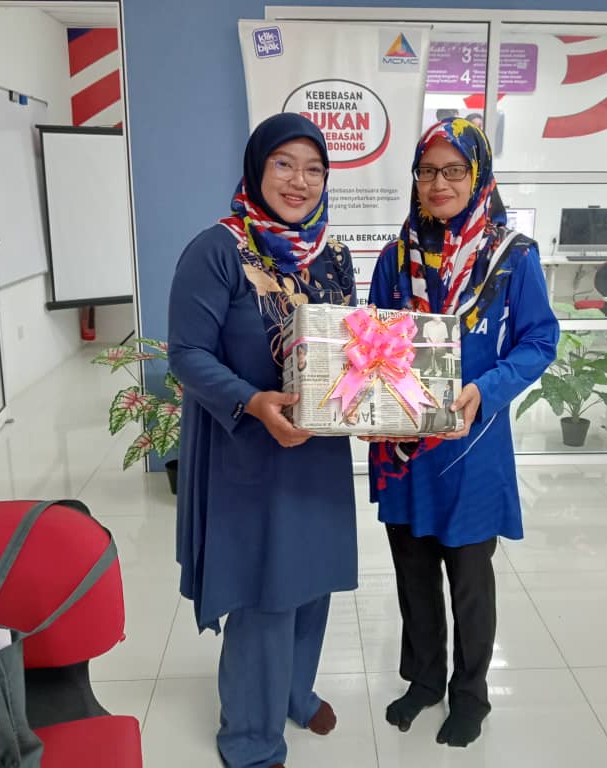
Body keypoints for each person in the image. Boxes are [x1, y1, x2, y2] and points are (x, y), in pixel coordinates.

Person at [167, 113, 358, 768]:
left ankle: (294, 692)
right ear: (257, 168)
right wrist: (251, 401)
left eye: (314, 169)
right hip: (249, 446)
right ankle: (250, 736)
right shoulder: (217, 249)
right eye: (284, 164)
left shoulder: (332, 254)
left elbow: (348, 343)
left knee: (312, 577)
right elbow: (187, 354)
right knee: (265, 588)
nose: (299, 181)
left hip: (317, 447)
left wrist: (374, 394)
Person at [366, 117, 558, 748]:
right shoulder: (396, 257)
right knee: (413, 573)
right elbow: (373, 344)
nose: (439, 183)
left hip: (472, 448)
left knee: (471, 582)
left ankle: (470, 695)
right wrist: (362, 404)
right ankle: (423, 680)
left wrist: (489, 387)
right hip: (404, 448)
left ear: (477, 176)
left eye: (454, 170)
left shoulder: (512, 257)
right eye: (427, 171)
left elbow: (539, 340)